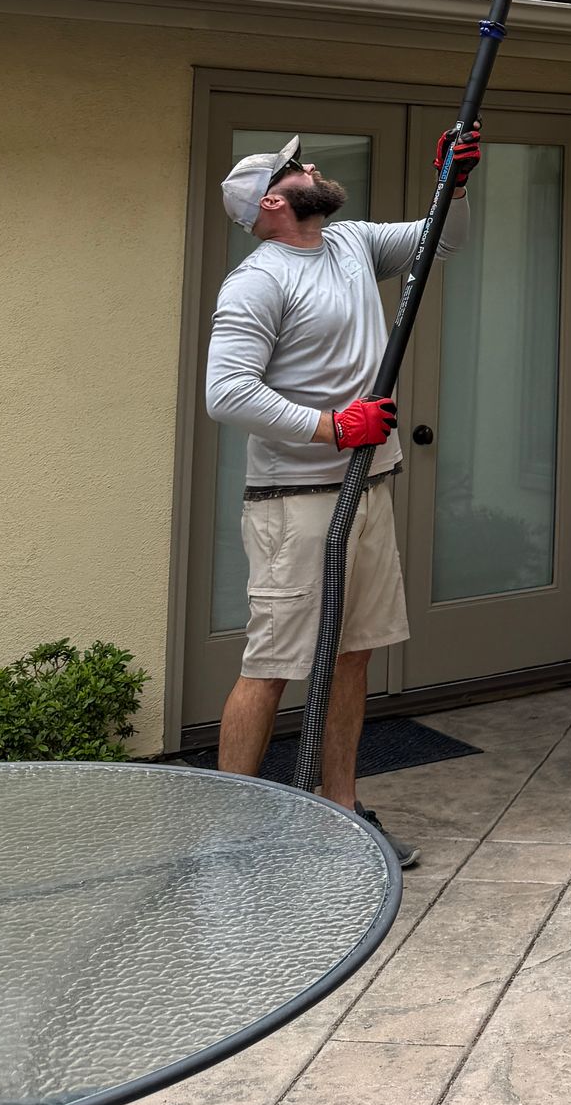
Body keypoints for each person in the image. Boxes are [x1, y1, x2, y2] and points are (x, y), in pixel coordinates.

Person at [204, 127, 481, 861]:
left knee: (353, 654)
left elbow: (437, 242)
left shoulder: (351, 243)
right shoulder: (258, 280)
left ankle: (342, 809)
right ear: (273, 199)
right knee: (271, 664)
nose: (313, 167)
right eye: (298, 166)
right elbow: (226, 392)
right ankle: (237, 834)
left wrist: (453, 180)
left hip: (368, 490)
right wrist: (332, 426)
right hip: (294, 504)